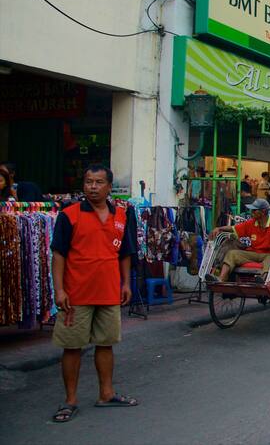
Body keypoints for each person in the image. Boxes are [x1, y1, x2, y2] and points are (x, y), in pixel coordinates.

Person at [50, 164, 139, 423]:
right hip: (76, 293)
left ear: (109, 187)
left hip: (109, 291)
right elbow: (58, 254)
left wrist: (126, 284)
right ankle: (70, 400)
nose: (93, 187)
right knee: (72, 347)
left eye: (99, 182)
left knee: (106, 343)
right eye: (89, 181)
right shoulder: (69, 215)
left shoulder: (121, 215)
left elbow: (125, 253)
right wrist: (59, 290)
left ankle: (106, 393)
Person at [206, 199, 270, 283]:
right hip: (253, 253)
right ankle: (221, 278)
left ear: (263, 212)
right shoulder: (251, 223)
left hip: (268, 254)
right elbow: (233, 228)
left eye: (254, 210)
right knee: (232, 253)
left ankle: (263, 279)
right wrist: (219, 228)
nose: (251, 212)